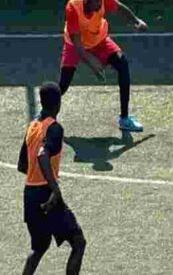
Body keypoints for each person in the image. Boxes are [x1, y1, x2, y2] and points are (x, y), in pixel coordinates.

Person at [59, 0, 147, 132]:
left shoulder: (103, 0)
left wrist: (136, 20)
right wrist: (92, 63)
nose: (100, 2)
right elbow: (78, 46)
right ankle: (45, 114)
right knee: (63, 84)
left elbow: (120, 8)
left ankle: (124, 119)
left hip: (98, 39)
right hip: (75, 44)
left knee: (122, 63)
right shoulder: (73, 7)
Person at [18, 82, 86, 275]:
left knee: (39, 248)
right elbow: (42, 155)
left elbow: (23, 165)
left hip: (30, 194)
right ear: (58, 103)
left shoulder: (32, 127)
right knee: (78, 242)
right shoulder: (54, 128)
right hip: (47, 194)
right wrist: (54, 190)